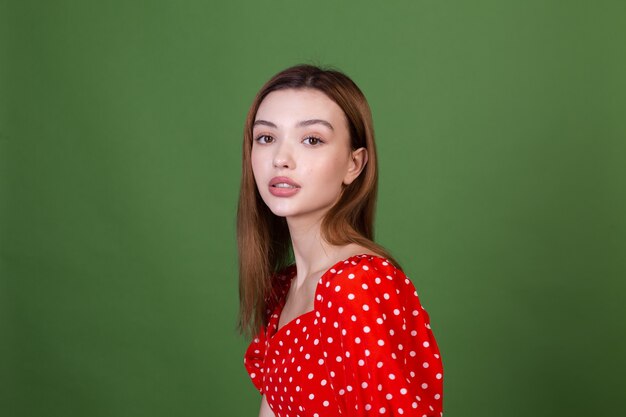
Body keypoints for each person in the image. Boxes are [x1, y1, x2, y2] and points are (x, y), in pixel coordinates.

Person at [237, 64, 443, 417]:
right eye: (266, 138)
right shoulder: (284, 288)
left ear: (354, 164)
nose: (281, 160)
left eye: (312, 139)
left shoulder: (357, 285)